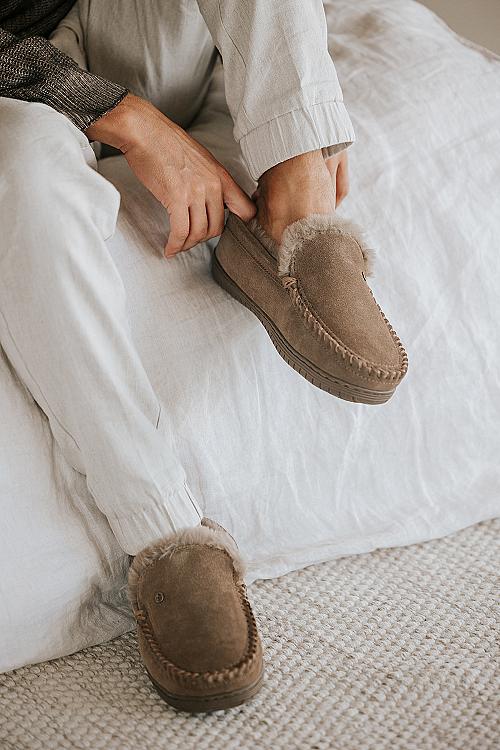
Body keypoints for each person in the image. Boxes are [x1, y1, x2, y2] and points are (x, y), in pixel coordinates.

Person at [0, 0, 407, 712]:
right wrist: (127, 117)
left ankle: (298, 218)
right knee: (21, 170)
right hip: (15, 88)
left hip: (130, 27)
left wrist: (305, 123)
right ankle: (163, 531)